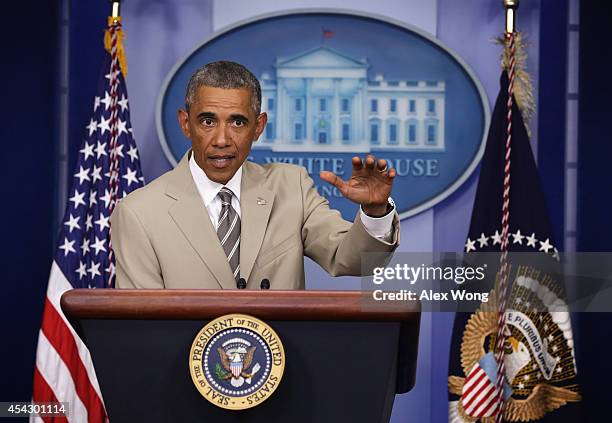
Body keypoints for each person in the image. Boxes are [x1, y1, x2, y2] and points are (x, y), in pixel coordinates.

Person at [111, 61, 400, 289]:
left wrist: (375, 212)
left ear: (258, 127)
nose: (222, 139)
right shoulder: (139, 213)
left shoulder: (291, 187)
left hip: (281, 361)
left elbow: (354, 262)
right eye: (208, 121)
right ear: (186, 124)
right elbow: (143, 325)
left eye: (237, 122)